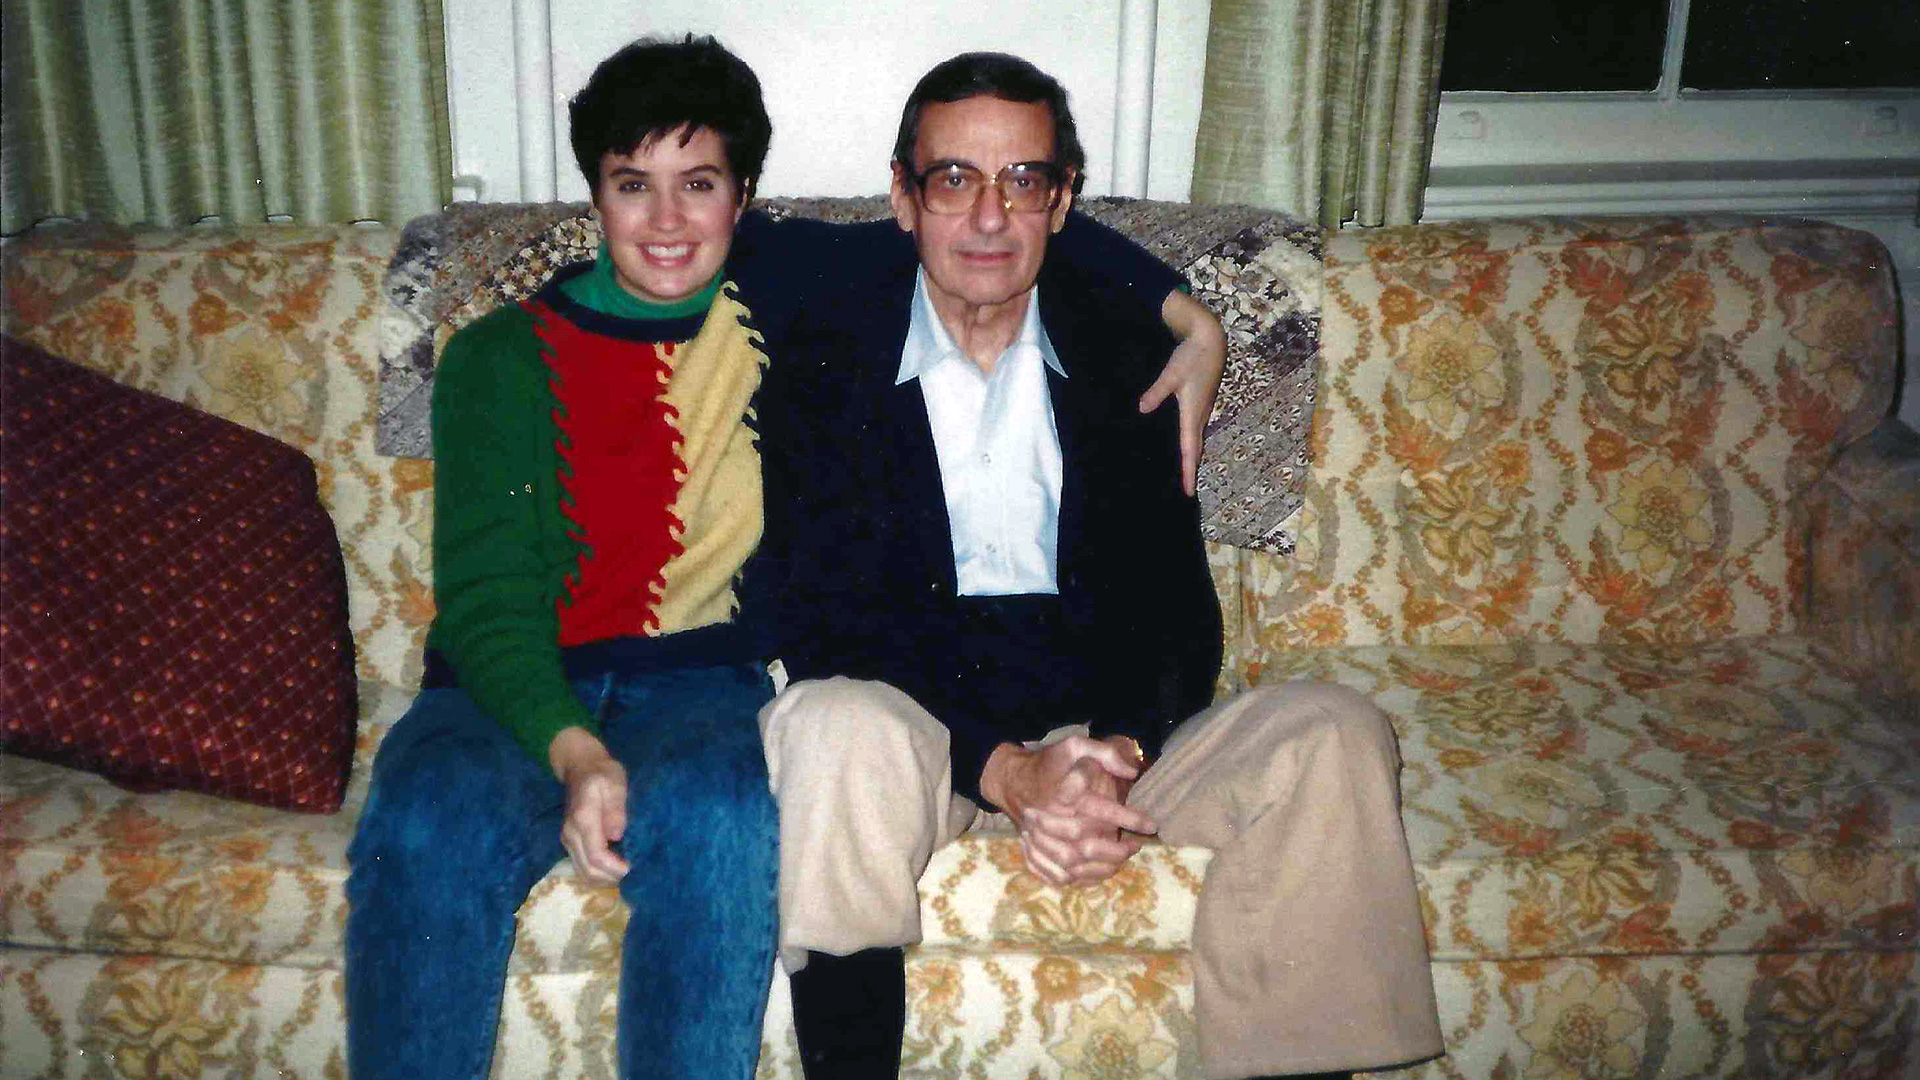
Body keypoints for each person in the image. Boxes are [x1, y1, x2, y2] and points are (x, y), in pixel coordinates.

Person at [343, 35, 1226, 1080]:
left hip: (697, 683)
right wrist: (576, 752)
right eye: (634, 186)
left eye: (699, 185)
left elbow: (1003, 222)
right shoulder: (494, 356)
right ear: (595, 194)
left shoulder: (786, 294)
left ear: (743, 199)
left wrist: (1190, 319)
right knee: (425, 826)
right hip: (507, 685)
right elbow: (487, 605)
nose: (669, 222)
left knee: (722, 822)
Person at [755, 52, 1446, 1080]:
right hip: (920, 728)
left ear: (1061, 200)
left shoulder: (1123, 356)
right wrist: (1004, 768)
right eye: (953, 180)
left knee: (1332, 733)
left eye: (1023, 181)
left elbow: (1176, 615)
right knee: (832, 726)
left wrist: (1114, 754)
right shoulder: (820, 352)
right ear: (901, 198)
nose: (988, 218)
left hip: (1096, 724)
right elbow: (818, 618)